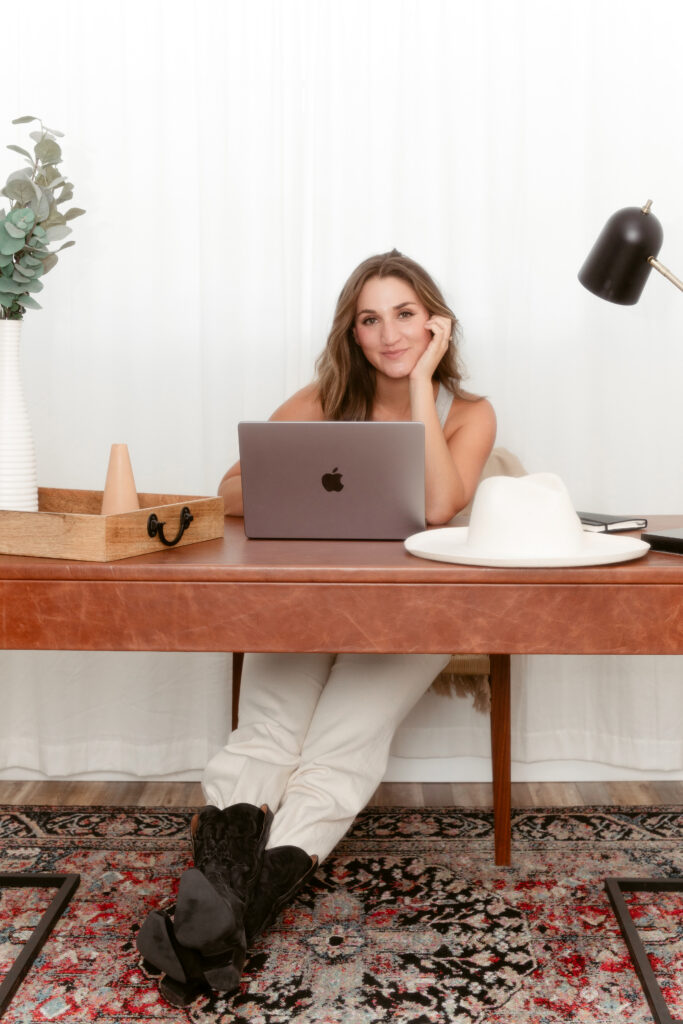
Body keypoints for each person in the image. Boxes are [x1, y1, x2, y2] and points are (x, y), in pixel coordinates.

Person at [136, 250, 496, 1007]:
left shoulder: (468, 412)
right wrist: (300, 493)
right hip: (302, 598)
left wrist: (423, 392)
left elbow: (437, 508)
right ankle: (222, 928)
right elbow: (229, 490)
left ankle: (216, 923)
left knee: (340, 746)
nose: (388, 333)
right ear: (353, 332)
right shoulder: (322, 398)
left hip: (415, 610)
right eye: (370, 319)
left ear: (434, 322)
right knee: (265, 733)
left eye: (404, 314)